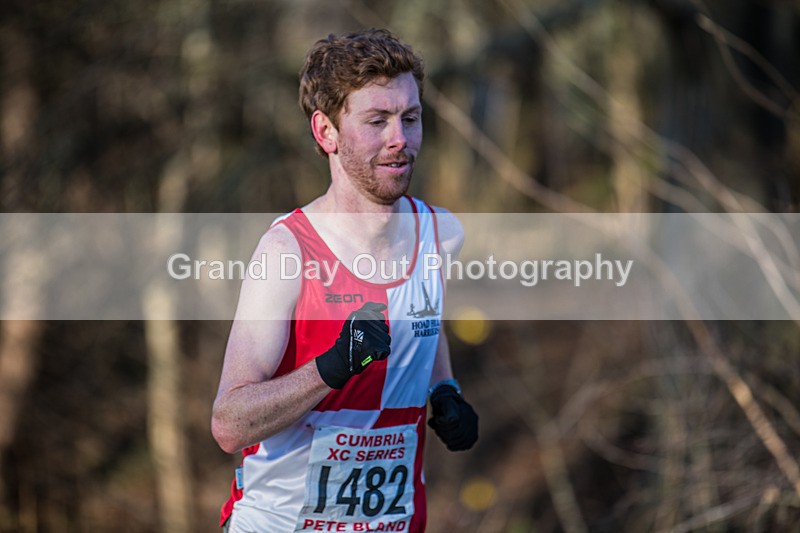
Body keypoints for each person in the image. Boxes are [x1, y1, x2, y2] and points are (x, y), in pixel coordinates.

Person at [211, 28, 478, 533]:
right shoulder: (287, 252)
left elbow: (424, 315)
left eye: (411, 118)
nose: (400, 139)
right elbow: (229, 423)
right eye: (377, 121)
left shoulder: (440, 235)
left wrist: (445, 389)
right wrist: (331, 367)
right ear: (326, 132)